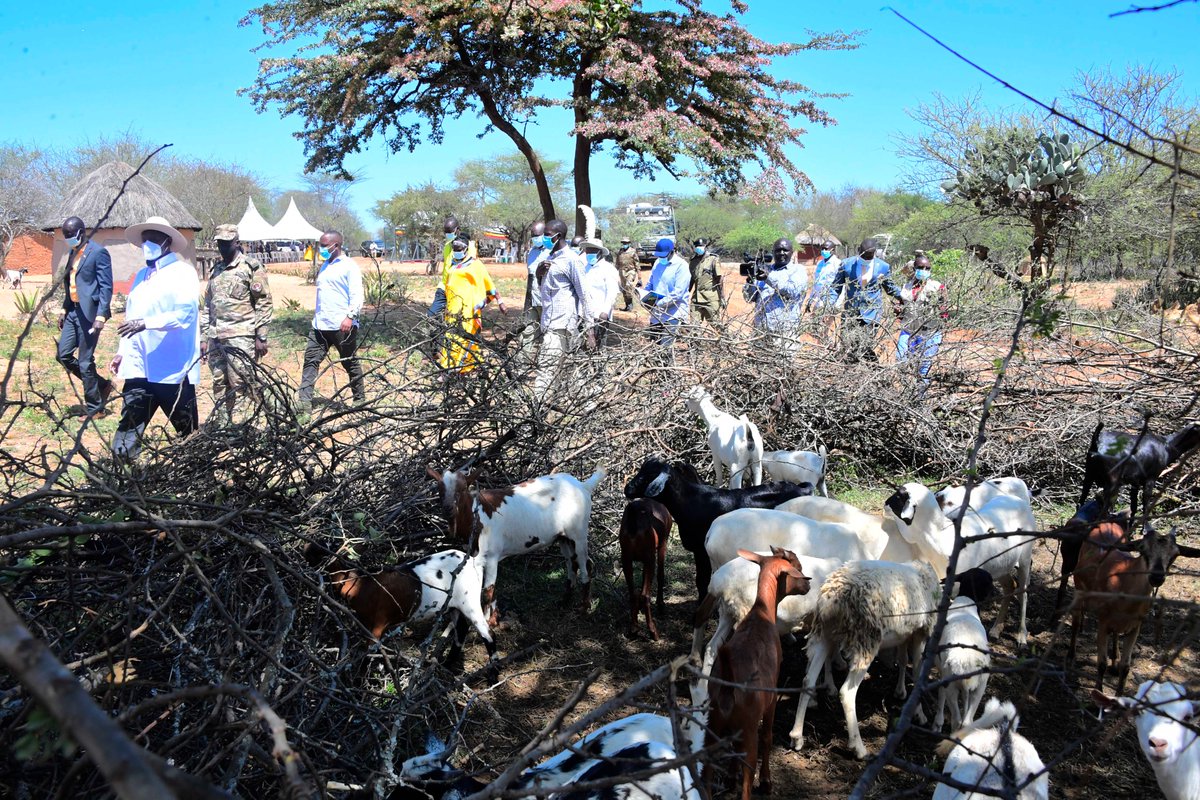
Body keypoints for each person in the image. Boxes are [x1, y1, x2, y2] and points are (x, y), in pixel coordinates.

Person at [110, 216, 201, 459]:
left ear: (167, 242)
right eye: (144, 239)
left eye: (154, 238)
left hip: (172, 368)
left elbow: (185, 314)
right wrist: (122, 351)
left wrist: (147, 324)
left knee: (188, 431)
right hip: (139, 366)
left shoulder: (183, 272)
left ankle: (197, 475)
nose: (148, 243)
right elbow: (131, 316)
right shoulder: (141, 275)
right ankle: (121, 477)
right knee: (129, 424)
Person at [200, 224, 273, 425]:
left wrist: (261, 335)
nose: (222, 247)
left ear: (237, 242)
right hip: (217, 337)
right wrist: (204, 337)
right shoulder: (217, 271)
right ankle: (224, 424)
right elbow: (208, 305)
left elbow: (264, 302)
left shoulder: (251, 267)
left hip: (242, 336)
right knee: (219, 382)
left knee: (242, 381)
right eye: (219, 243)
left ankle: (255, 422)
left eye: (226, 243)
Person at [297, 230, 365, 415]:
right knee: (310, 362)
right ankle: (304, 406)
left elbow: (357, 295)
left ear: (337, 245)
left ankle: (360, 399)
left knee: (349, 362)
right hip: (320, 325)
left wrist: (350, 317)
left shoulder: (349, 266)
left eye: (325, 245)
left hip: (342, 326)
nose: (322, 249)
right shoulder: (325, 266)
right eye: (321, 245)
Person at [56, 215, 114, 419]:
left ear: (81, 232)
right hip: (73, 310)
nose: (68, 238)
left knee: (85, 361)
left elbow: (106, 286)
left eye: (71, 235)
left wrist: (101, 315)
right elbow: (69, 283)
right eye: (66, 236)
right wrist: (64, 308)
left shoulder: (98, 252)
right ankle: (101, 384)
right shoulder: (73, 253)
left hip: (90, 314)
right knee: (62, 355)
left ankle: (95, 408)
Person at [534, 219, 595, 397]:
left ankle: (537, 407)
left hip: (564, 324)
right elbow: (545, 291)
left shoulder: (571, 260)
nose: (543, 238)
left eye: (546, 234)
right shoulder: (549, 258)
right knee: (569, 371)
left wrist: (590, 329)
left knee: (546, 368)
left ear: (557, 236)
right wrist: (539, 276)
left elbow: (585, 294)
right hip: (549, 322)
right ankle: (585, 405)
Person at [435, 236, 506, 372]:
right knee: (450, 336)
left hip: (467, 308)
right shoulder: (453, 262)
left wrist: (500, 301)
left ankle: (459, 369)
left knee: (464, 336)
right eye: (454, 249)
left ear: (466, 249)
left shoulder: (475, 264)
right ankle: (451, 367)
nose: (456, 251)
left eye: (459, 249)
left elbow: (488, 283)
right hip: (452, 308)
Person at [827, 237, 901, 363]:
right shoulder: (846, 264)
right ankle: (855, 373)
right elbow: (836, 288)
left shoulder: (883, 267)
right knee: (847, 344)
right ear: (858, 250)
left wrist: (905, 298)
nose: (867, 258)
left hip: (871, 315)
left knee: (864, 345)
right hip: (850, 313)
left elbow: (890, 288)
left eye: (870, 255)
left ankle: (868, 372)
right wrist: (828, 304)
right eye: (864, 255)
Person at [743, 238, 808, 357]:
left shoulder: (798, 270)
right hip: (761, 332)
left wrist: (768, 278)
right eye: (778, 250)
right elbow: (748, 298)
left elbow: (792, 292)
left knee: (783, 371)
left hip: (785, 333)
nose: (781, 253)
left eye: (785, 250)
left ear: (792, 252)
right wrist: (750, 281)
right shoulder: (764, 270)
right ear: (773, 252)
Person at [896, 254, 948, 393]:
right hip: (909, 330)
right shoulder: (906, 287)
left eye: (927, 268)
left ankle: (919, 397)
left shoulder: (937, 287)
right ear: (914, 268)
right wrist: (898, 310)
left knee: (924, 366)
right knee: (901, 359)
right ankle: (905, 392)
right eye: (920, 267)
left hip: (929, 332)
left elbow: (944, 310)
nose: (924, 270)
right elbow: (901, 307)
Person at [641, 238, 690, 346]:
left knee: (665, 347)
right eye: (659, 255)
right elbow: (651, 283)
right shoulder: (657, 263)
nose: (661, 258)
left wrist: (659, 303)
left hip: (673, 313)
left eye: (663, 255)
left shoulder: (681, 266)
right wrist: (644, 296)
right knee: (654, 345)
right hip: (656, 314)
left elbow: (678, 293)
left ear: (672, 252)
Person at [517, 221, 548, 366]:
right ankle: (522, 365)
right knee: (528, 332)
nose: (535, 238)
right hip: (533, 301)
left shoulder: (552, 252)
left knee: (548, 335)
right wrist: (526, 304)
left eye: (538, 236)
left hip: (547, 302)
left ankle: (547, 366)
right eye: (533, 236)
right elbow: (530, 278)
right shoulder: (531, 253)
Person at [581, 237, 621, 348]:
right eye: (588, 251)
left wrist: (605, 311)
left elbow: (612, 292)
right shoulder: (585, 268)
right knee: (584, 345)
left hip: (600, 315)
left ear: (599, 252)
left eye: (592, 251)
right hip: (585, 314)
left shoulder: (608, 269)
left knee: (599, 345)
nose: (589, 253)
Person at [688, 238, 725, 326]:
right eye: (697, 246)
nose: (699, 248)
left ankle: (727, 339)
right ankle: (696, 340)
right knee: (694, 326)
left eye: (701, 246)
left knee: (716, 325)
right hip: (696, 299)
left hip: (710, 299)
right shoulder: (693, 262)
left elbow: (720, 279)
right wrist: (685, 293)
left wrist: (722, 297)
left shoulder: (713, 259)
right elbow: (692, 280)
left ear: (705, 246)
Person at [614, 236, 640, 311]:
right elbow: (617, 263)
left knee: (628, 286)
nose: (624, 244)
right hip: (622, 272)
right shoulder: (620, 252)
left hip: (630, 271)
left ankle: (630, 304)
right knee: (624, 288)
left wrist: (639, 276)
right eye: (623, 243)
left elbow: (637, 264)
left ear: (629, 243)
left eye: (626, 243)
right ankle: (627, 305)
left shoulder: (633, 251)